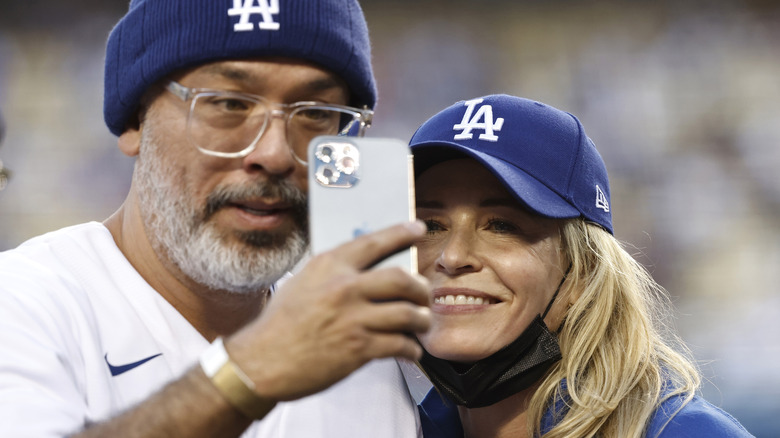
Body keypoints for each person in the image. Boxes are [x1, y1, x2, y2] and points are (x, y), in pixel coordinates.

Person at [0, 1, 432, 437]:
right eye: (228, 103)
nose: (275, 154)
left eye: (315, 113)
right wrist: (249, 372)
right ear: (135, 118)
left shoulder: (372, 351)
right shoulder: (24, 305)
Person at [407, 94, 754, 437]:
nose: (451, 257)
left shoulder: (685, 433)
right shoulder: (390, 426)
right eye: (430, 226)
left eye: (501, 226)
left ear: (583, 272)